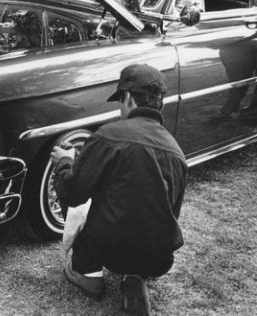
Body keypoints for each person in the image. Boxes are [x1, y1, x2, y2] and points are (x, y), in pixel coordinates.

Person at [50, 64, 188, 315]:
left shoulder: (110, 135)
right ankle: (135, 277)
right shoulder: (176, 152)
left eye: (120, 101)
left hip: (107, 247)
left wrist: (66, 162)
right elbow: (172, 213)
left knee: (84, 209)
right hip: (159, 257)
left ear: (127, 98)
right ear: (161, 104)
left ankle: (89, 276)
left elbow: (73, 193)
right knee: (143, 219)